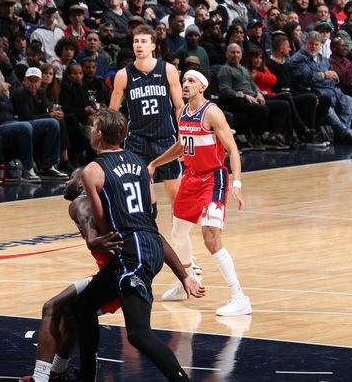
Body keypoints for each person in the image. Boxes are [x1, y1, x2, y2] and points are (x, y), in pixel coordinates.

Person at [73, 108, 197, 382]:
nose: (91, 130)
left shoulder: (93, 170)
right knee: (83, 306)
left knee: (139, 334)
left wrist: (95, 240)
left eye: (93, 126)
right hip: (151, 244)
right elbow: (149, 215)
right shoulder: (140, 163)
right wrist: (183, 275)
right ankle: (87, 375)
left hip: (132, 254)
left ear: (99, 133)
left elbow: (104, 226)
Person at [148, 70, 252, 317]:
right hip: (191, 178)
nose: (185, 84)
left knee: (210, 237)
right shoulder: (183, 112)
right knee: (178, 231)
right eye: (184, 80)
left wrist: (236, 184)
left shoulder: (212, 113)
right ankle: (187, 279)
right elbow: (182, 145)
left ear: (202, 87)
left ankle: (239, 297)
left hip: (213, 179)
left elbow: (233, 150)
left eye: (191, 81)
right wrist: (155, 163)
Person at [108, 25, 192, 265]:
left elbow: (178, 106)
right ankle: (144, 246)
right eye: (136, 41)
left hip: (166, 139)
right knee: (141, 198)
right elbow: (113, 113)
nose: (139, 45)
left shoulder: (168, 70)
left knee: (176, 198)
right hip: (136, 141)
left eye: (144, 41)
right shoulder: (124, 75)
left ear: (153, 45)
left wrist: (184, 136)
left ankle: (185, 253)